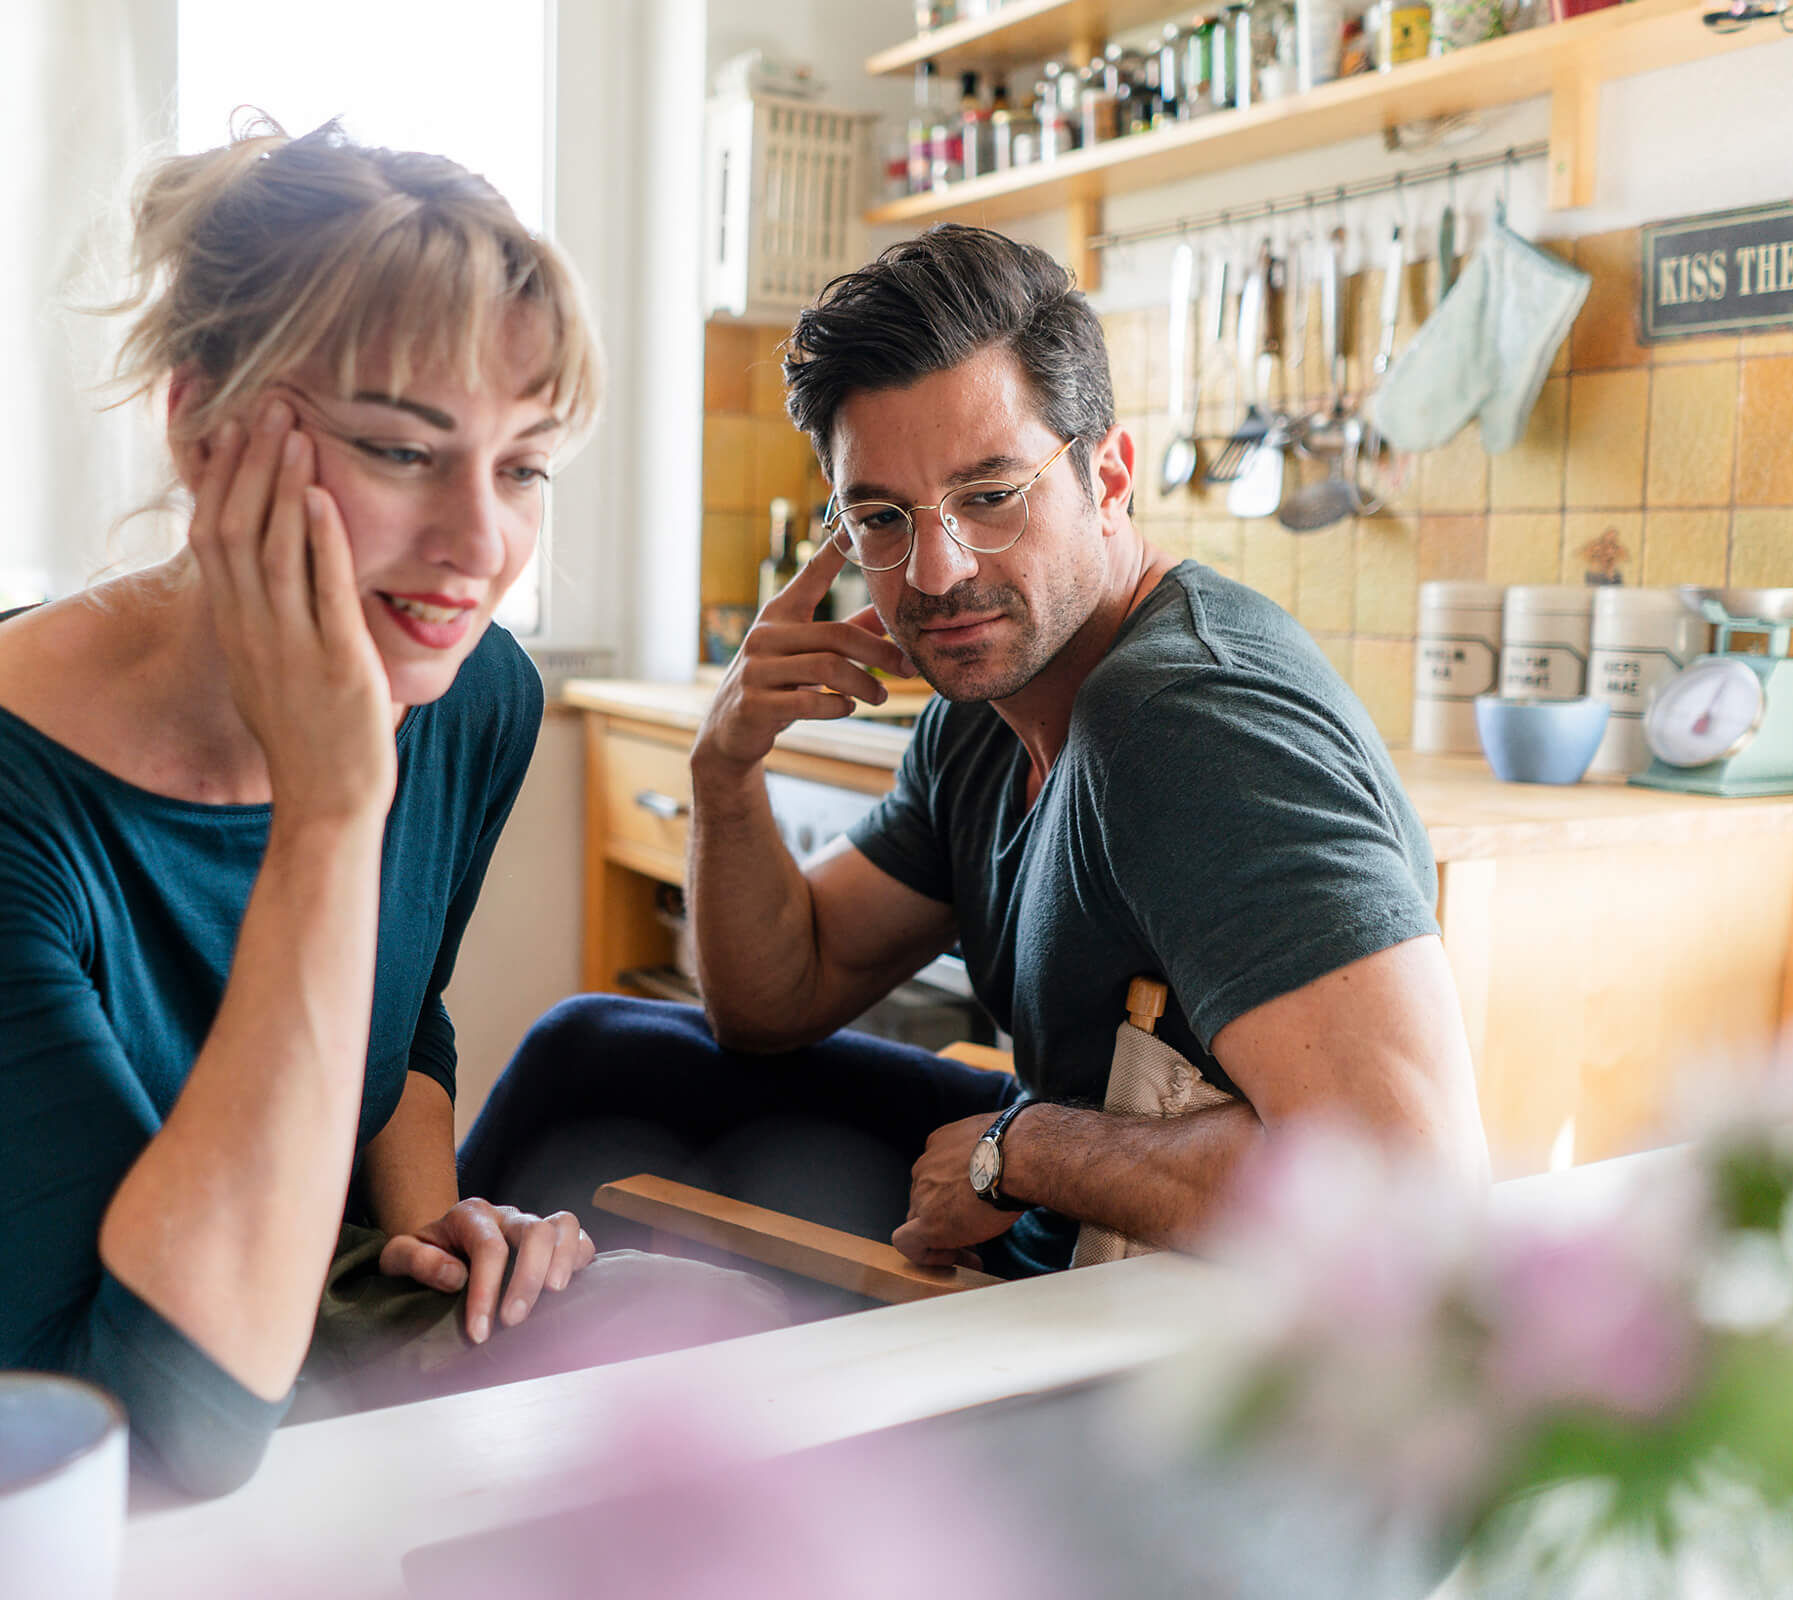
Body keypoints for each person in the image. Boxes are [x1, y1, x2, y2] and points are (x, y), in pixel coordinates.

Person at [0, 120, 781, 1500]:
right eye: (401, 450)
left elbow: (401, 1009)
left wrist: (435, 1222)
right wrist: (329, 810)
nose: (479, 546)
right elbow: (154, 1434)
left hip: (294, 1304)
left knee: (706, 1356)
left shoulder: (469, 692)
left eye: (521, 468)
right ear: (201, 428)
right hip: (11, 1409)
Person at [461, 224, 1489, 1279]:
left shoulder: (1190, 722)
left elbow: (1409, 1188)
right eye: (881, 517)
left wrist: (1024, 1150)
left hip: (1175, 1342)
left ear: (1111, 474)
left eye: (989, 495)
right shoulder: (982, 713)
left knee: (602, 1197)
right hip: (1045, 1208)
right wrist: (724, 769)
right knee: (590, 1060)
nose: (938, 571)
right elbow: (774, 1001)